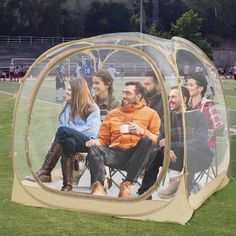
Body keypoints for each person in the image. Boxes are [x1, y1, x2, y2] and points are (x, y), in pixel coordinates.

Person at [85, 81, 161, 197]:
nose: (124, 96)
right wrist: (95, 142)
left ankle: (127, 185)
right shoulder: (113, 114)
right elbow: (103, 140)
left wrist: (142, 132)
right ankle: (98, 187)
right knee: (94, 149)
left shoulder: (151, 114)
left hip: (137, 156)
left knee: (147, 140)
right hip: (116, 153)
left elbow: (156, 140)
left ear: (138, 96)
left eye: (128, 93)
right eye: (123, 92)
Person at [25, 78, 101, 192]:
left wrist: (70, 131)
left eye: (70, 90)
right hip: (72, 141)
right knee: (68, 142)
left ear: (78, 91)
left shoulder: (93, 108)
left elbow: (91, 132)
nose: (66, 92)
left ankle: (46, 171)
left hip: (89, 142)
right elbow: (64, 129)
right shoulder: (68, 106)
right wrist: (68, 133)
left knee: (64, 131)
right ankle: (67, 186)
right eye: (67, 89)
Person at [138, 86, 213, 198]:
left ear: (184, 99)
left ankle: (182, 189)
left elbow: (200, 142)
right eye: (169, 97)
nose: (170, 100)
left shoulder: (198, 115)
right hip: (174, 157)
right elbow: (161, 141)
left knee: (188, 150)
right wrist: (167, 149)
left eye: (173, 97)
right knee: (155, 154)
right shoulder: (167, 118)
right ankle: (144, 193)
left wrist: (171, 146)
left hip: (199, 157)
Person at [72, 70, 120, 187]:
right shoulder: (89, 103)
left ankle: (81, 173)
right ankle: (96, 176)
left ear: (107, 85)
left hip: (107, 142)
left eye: (97, 83)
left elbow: (115, 131)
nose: (93, 86)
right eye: (93, 83)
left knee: (95, 146)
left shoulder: (116, 105)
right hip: (90, 138)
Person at [187, 74, 224, 149]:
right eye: (187, 85)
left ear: (200, 88)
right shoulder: (186, 105)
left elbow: (219, 127)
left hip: (205, 148)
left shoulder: (209, 106)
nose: (188, 88)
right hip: (189, 147)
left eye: (191, 85)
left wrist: (210, 131)